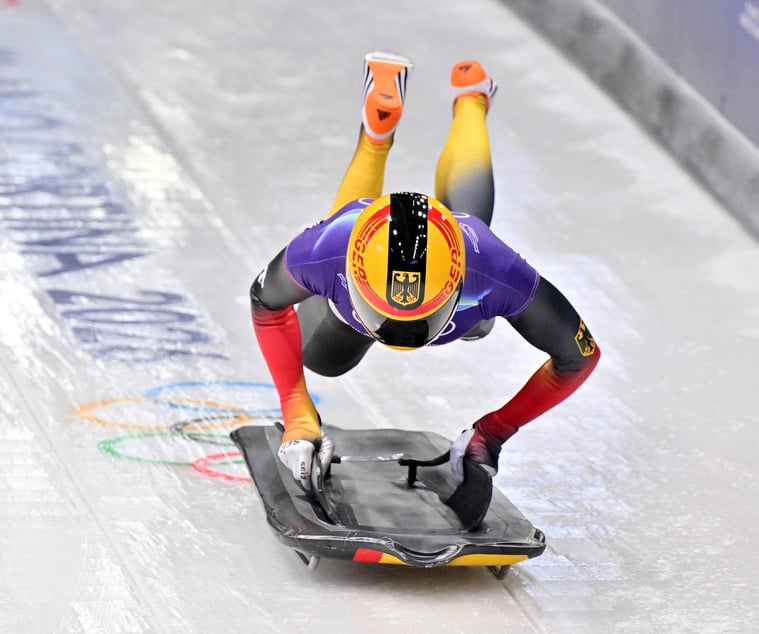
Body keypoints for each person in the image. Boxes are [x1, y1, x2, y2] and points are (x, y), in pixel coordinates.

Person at [249, 52, 600, 506]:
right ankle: (446, 111)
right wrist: (297, 413)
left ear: (452, 283)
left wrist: (493, 433)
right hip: (432, 279)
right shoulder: (326, 249)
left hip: (462, 280)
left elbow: (581, 356)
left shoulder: (491, 267)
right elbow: (579, 358)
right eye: (386, 311)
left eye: (418, 316)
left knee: (476, 310)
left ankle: (433, 115)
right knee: (327, 358)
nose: (402, 337)